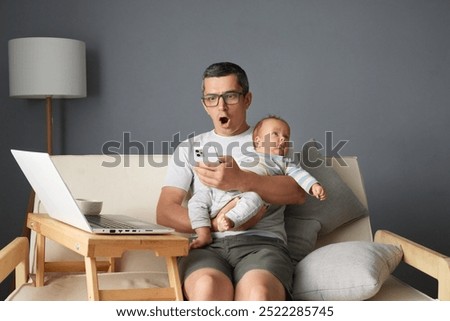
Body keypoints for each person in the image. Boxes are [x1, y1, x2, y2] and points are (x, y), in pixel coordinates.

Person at [156, 62, 306, 301]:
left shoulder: (270, 138)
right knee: (207, 288)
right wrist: (215, 224)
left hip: (262, 245)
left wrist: (242, 179)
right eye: (212, 98)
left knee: (259, 294)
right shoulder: (189, 148)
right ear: (204, 104)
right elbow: (165, 212)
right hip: (207, 247)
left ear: (247, 99)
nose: (221, 106)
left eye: (230, 96)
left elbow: (298, 192)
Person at [188, 115, 326, 249]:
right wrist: (214, 162)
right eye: (275, 134)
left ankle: (230, 220)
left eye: (286, 136)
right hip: (222, 193)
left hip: (246, 196)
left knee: (255, 199)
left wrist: (313, 185)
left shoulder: (283, 162)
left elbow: (300, 175)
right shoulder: (246, 155)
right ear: (258, 141)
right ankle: (203, 234)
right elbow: (230, 171)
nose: (282, 138)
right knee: (196, 200)